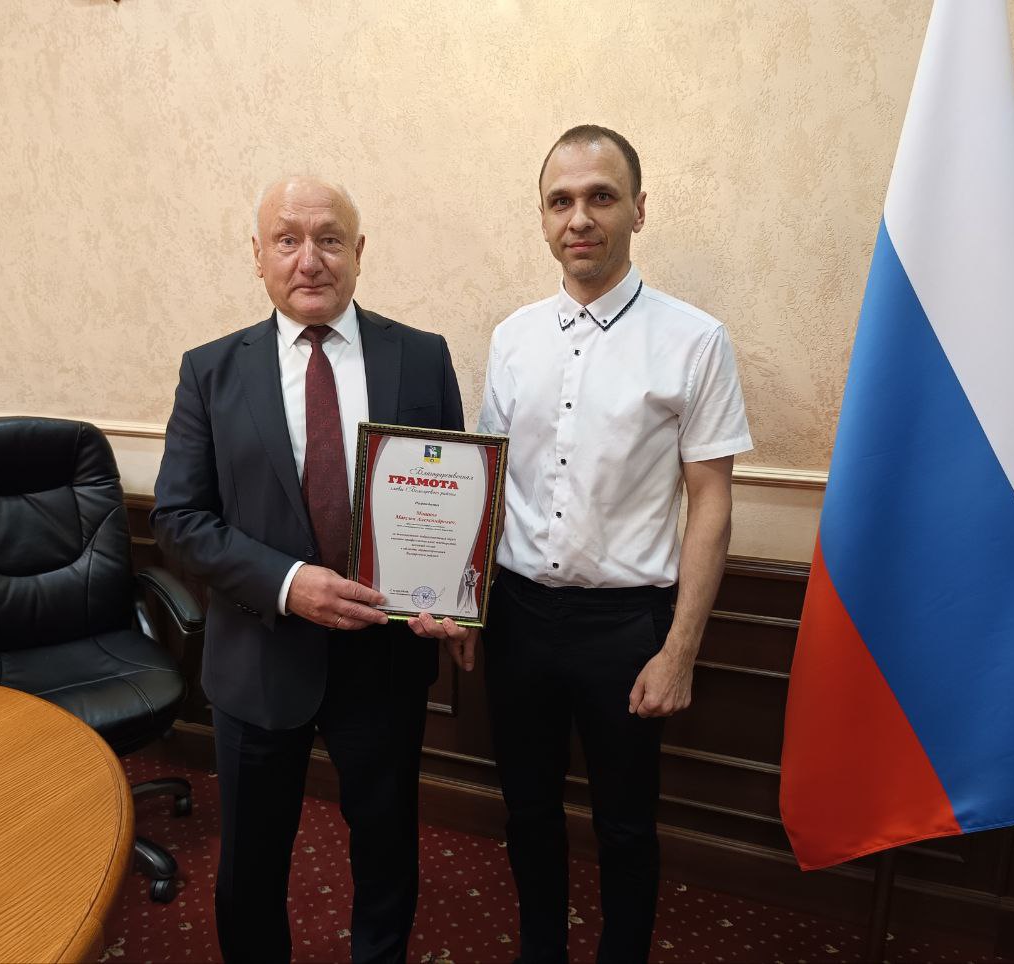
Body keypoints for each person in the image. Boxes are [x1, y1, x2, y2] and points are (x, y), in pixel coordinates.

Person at [418, 125, 753, 963]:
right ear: (542, 219)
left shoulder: (696, 340)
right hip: (519, 619)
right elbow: (488, 481)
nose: (580, 218)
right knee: (527, 811)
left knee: (626, 826)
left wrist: (681, 651)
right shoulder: (513, 337)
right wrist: (464, 604)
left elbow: (712, 502)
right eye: (560, 201)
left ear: (638, 209)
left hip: (628, 627)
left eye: (601, 196)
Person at [151, 176, 463, 964]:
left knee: (387, 852)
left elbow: (451, 501)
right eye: (287, 240)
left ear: (358, 252)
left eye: (328, 239)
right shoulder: (209, 371)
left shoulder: (422, 357)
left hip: (384, 660)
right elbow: (179, 520)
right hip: (258, 659)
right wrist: (290, 584)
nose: (309, 259)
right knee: (251, 866)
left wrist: (450, 591)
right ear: (258, 256)